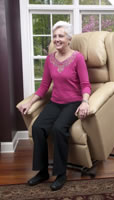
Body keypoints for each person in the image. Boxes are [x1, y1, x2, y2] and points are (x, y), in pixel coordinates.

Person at [18, 21, 91, 191]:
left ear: (69, 39)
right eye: (55, 36)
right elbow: (44, 86)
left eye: (61, 36)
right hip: (55, 103)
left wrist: (85, 102)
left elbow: (86, 84)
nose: (57, 39)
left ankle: (60, 174)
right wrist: (29, 103)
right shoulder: (50, 59)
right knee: (37, 127)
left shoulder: (78, 57)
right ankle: (42, 172)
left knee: (59, 128)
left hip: (73, 103)